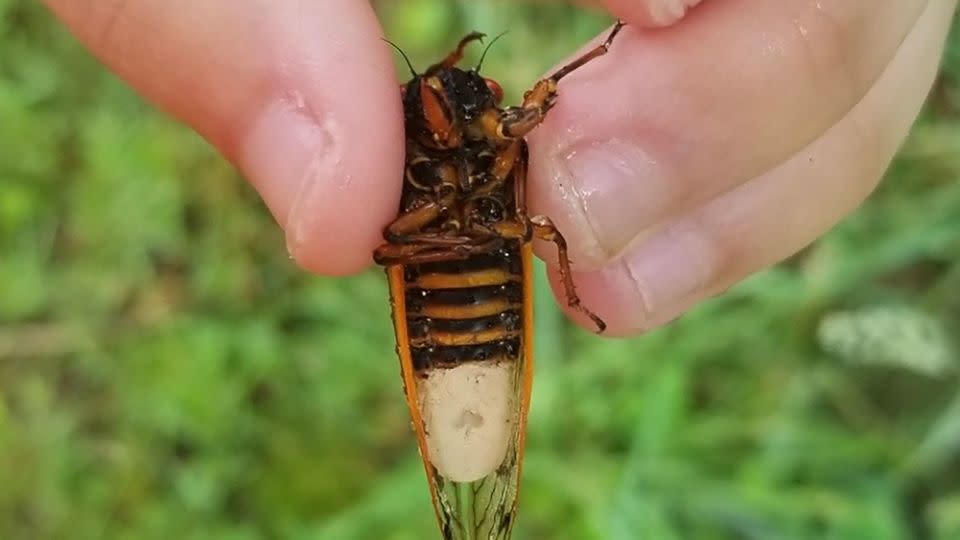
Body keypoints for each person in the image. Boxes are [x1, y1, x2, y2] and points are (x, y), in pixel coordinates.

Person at [43, 0, 958, 336]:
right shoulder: (440, 144)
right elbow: (390, 235)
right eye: (446, 104)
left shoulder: (506, 136)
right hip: (453, 269)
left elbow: (530, 121)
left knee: (546, 219)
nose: (471, 114)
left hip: (469, 252)